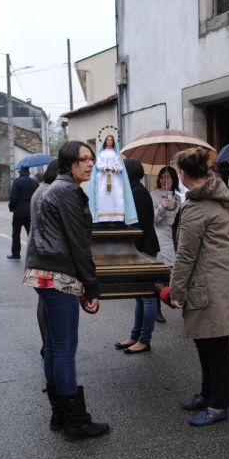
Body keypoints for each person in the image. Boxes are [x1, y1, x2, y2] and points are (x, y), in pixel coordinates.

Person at [25, 141, 109, 441]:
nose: (90, 164)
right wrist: (92, 287)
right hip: (58, 274)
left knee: (52, 346)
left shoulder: (49, 188)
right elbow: (78, 242)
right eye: (84, 159)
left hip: (41, 272)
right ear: (69, 163)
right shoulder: (67, 191)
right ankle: (76, 421)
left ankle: (60, 413)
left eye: (92, 159)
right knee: (64, 348)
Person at [169, 147, 229, 427]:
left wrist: (176, 291)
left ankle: (219, 404)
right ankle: (207, 393)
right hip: (220, 278)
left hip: (211, 281)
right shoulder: (218, 196)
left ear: (182, 174)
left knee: (215, 344)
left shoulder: (197, 209)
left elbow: (185, 255)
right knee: (206, 340)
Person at [114, 159, 160, 355]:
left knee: (147, 297)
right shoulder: (133, 192)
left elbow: (137, 226)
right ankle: (135, 335)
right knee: (139, 298)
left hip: (144, 249)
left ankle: (144, 339)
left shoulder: (138, 193)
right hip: (138, 249)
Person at [28, 160, 59, 359]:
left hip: (36, 254)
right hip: (44, 256)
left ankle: (46, 343)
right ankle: (48, 344)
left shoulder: (40, 189)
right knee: (48, 303)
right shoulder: (49, 192)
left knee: (43, 301)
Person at [150, 166, 181, 323]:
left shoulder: (177, 198)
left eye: (168, 177)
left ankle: (169, 299)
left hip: (171, 238)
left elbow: (174, 221)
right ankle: (157, 309)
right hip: (158, 236)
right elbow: (154, 220)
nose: (164, 180)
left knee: (170, 274)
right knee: (158, 274)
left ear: (174, 180)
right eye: (162, 177)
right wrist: (162, 207)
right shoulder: (153, 195)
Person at [86, 134, 138, 226]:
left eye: (111, 140)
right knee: (102, 196)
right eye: (108, 140)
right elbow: (98, 164)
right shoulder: (101, 153)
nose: (109, 141)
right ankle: (103, 217)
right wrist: (105, 168)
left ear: (113, 142)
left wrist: (115, 169)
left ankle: (117, 217)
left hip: (115, 178)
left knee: (117, 196)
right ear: (105, 141)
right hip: (103, 178)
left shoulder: (115, 153)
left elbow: (120, 166)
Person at [7, 165, 39, 261]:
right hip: (30, 212)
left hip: (18, 213)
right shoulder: (34, 183)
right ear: (28, 172)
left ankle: (16, 254)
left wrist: (11, 207)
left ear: (20, 172)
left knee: (16, 234)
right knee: (31, 234)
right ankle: (34, 255)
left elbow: (13, 198)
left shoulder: (17, 182)